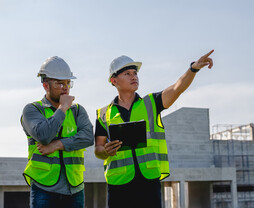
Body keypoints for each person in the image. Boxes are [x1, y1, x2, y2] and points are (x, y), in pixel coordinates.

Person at [94, 50, 214, 208]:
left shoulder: (151, 103)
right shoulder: (103, 114)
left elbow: (177, 88)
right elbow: (98, 148)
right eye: (127, 74)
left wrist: (193, 69)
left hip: (148, 183)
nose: (134, 77)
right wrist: (105, 151)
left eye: (135, 73)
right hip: (119, 186)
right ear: (114, 81)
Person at [21, 56, 94, 208]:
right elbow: (44, 136)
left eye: (68, 83)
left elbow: (88, 137)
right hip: (44, 188)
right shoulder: (33, 110)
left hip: (75, 188)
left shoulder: (78, 111)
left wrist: (58, 144)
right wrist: (63, 108)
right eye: (60, 83)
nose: (65, 87)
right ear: (46, 85)